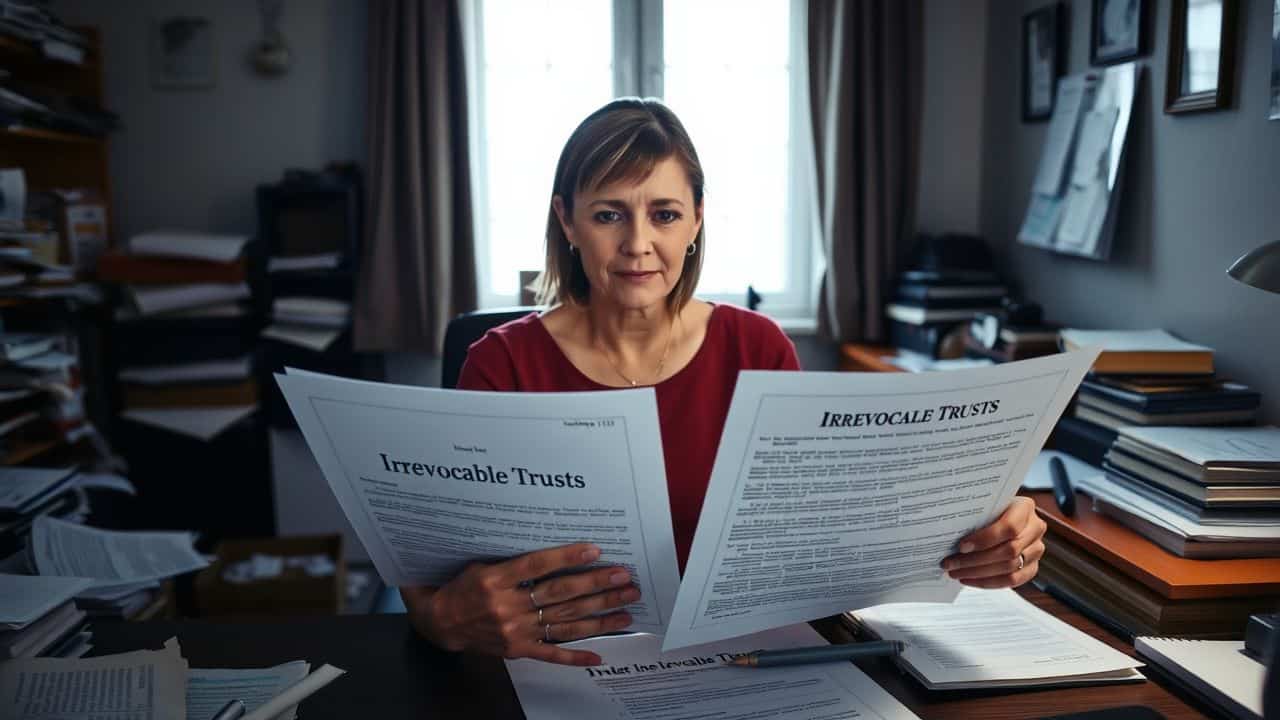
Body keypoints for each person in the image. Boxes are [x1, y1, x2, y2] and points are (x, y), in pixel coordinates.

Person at [401, 98, 1048, 667]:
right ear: (566, 222)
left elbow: (822, 531)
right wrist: (442, 620)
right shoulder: (500, 364)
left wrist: (982, 534)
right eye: (608, 216)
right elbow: (436, 578)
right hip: (566, 665)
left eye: (664, 213)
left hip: (744, 658)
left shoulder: (756, 347)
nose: (638, 244)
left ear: (697, 220)